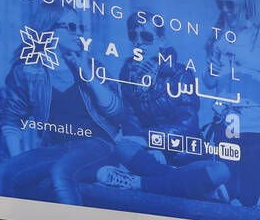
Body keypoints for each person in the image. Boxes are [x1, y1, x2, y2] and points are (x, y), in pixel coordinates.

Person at [0, 6, 124, 205]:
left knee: (61, 172)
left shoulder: (93, 67)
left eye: (80, 27)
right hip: (58, 149)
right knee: (2, 173)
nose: (79, 32)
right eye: (71, 26)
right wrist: (18, 161)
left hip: (100, 145)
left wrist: (87, 75)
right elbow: (12, 118)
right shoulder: (27, 71)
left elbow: (118, 114)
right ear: (49, 30)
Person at [95, 12, 230, 200]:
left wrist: (150, 140)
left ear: (161, 41)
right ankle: (189, 185)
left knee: (221, 171)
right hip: (150, 158)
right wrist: (151, 149)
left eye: (147, 36)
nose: (138, 42)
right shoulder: (127, 73)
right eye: (133, 35)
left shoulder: (181, 73)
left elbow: (187, 126)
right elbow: (130, 120)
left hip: (185, 156)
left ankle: (136, 183)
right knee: (123, 147)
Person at [201, 0, 260, 207]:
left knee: (250, 196)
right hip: (228, 120)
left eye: (230, 4)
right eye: (221, 4)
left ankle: (259, 178)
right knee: (228, 189)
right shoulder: (217, 36)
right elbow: (208, 82)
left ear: (245, 6)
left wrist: (242, 56)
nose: (225, 10)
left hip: (255, 122)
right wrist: (212, 71)